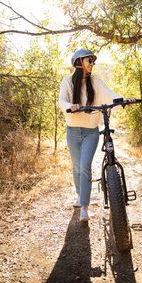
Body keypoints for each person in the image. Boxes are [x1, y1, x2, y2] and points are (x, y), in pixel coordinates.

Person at [59, 48, 122, 222]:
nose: (92, 64)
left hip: (90, 132)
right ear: (79, 62)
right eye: (90, 61)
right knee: (77, 166)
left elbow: (110, 95)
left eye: (93, 61)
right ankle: (80, 195)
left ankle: (84, 207)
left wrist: (123, 99)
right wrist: (69, 106)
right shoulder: (68, 82)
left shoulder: (95, 82)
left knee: (85, 165)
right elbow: (61, 100)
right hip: (72, 131)